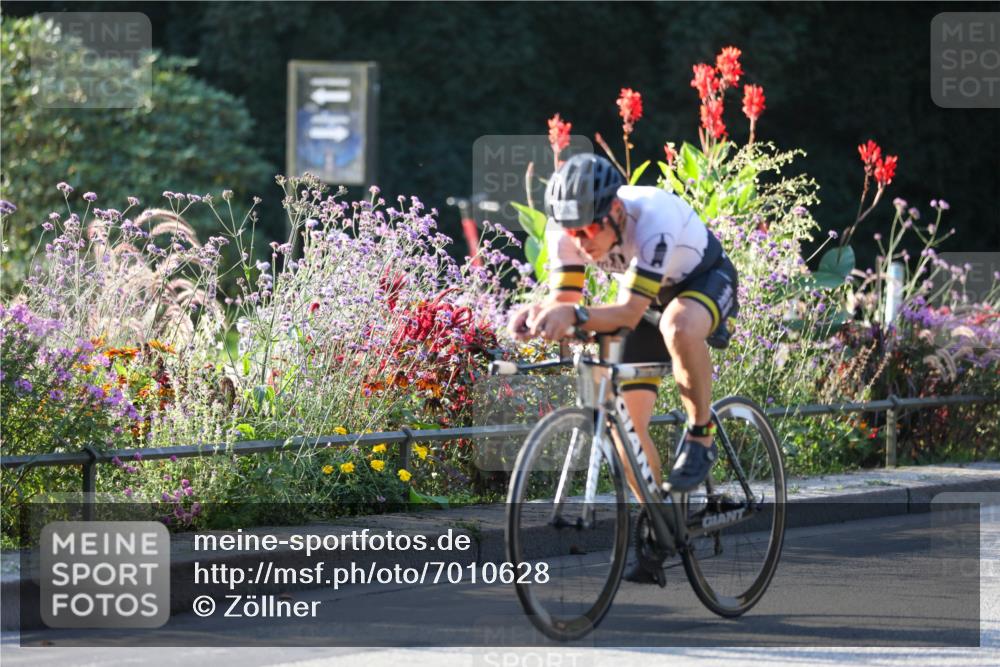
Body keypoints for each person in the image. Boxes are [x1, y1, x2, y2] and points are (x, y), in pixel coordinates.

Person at [507, 153, 739, 581]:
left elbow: (628, 314)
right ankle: (663, 525)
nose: (580, 241)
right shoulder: (567, 230)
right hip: (643, 302)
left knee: (678, 324)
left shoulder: (652, 219)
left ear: (615, 211)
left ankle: (701, 433)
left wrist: (574, 318)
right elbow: (567, 302)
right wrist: (539, 315)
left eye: (589, 229)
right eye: (572, 231)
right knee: (623, 430)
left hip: (701, 282)